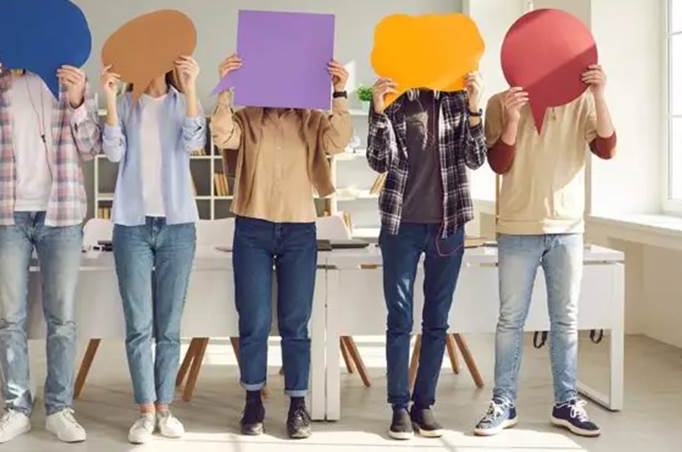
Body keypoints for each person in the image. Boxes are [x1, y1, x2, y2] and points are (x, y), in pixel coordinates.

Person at [0, 0, 98, 446]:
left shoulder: (68, 80)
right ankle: (16, 407)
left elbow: (90, 147)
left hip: (61, 213)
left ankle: (60, 408)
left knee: (62, 318)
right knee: (10, 318)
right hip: (6, 213)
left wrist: (78, 102)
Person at [210, 54, 352, 439]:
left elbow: (339, 141)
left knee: (295, 321)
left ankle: (297, 405)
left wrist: (339, 92)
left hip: (299, 229)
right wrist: (224, 89)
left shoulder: (311, 120)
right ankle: (253, 400)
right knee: (253, 320)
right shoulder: (248, 118)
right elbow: (222, 134)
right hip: (252, 227)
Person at [473, 65, 616, 438]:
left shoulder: (581, 101)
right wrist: (512, 119)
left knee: (565, 320)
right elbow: (498, 163)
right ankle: (503, 402)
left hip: (566, 229)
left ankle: (566, 402)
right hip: (517, 227)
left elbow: (607, 148)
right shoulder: (500, 102)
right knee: (510, 320)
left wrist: (599, 94)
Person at [366, 74, 486, 439]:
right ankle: (399, 406)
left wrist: (475, 107)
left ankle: (424, 404)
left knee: (437, 320)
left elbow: (476, 158)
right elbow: (378, 161)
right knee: (399, 318)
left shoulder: (456, 98)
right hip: (400, 225)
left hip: (447, 226)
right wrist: (378, 111)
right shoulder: (396, 97)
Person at [96, 56, 205, 444]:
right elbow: (113, 153)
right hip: (132, 226)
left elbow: (195, 142)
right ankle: (145, 411)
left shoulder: (181, 101)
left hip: (178, 226)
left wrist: (191, 88)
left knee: (169, 326)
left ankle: (165, 408)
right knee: (139, 325)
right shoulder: (126, 105)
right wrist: (110, 100)